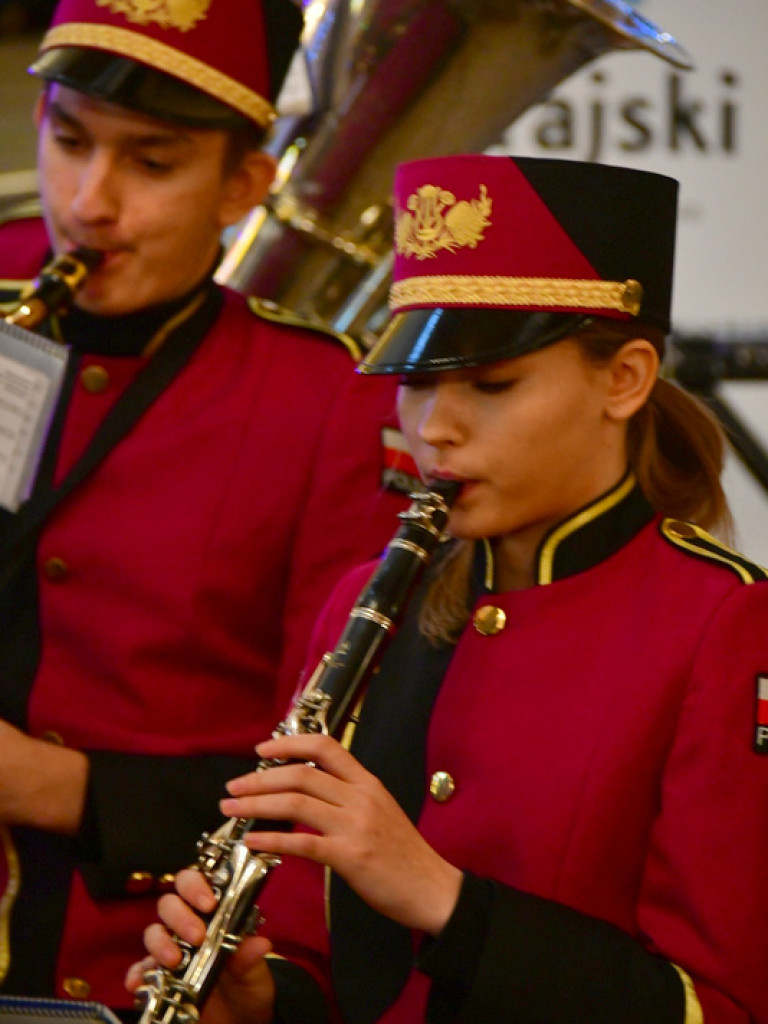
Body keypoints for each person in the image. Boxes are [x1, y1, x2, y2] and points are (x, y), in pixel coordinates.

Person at [132, 154, 768, 1024]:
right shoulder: (364, 601)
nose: (435, 429)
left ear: (624, 379)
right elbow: (318, 949)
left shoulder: (728, 622)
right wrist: (261, 998)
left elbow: (723, 1006)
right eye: (418, 383)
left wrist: (446, 901)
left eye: (492, 384)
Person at [0, 0, 412, 1009]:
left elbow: (331, 774)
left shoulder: (327, 403)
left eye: (152, 162)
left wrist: (58, 789)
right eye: (69, 140)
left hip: (126, 968)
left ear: (244, 186)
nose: (88, 203)